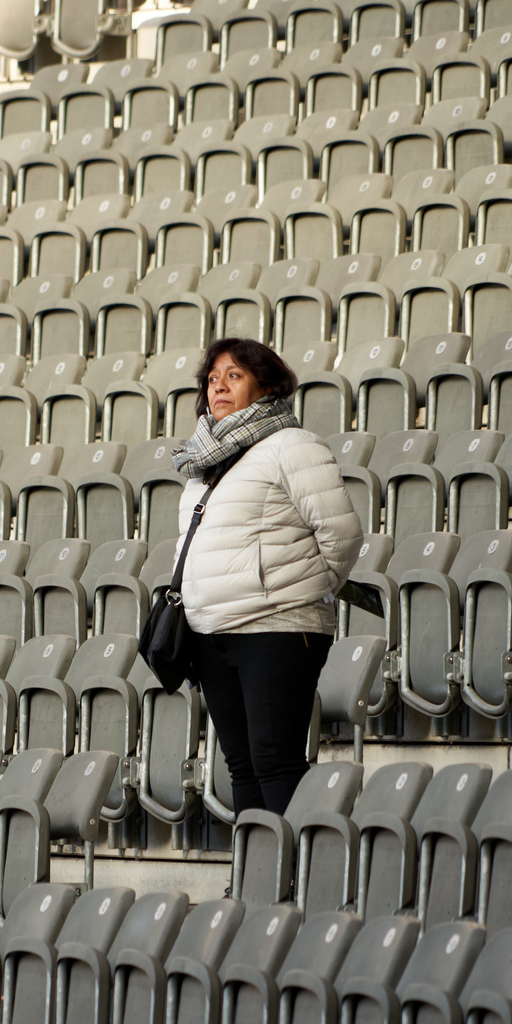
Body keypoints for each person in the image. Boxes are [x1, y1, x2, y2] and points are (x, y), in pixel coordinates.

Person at [170, 337, 362, 815]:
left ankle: (295, 877)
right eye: (212, 379)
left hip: (277, 629)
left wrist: (294, 592)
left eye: (233, 376)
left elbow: (342, 534)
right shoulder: (205, 461)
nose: (219, 387)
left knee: (275, 762)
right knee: (240, 767)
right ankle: (256, 877)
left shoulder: (292, 445)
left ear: (265, 384)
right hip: (212, 632)